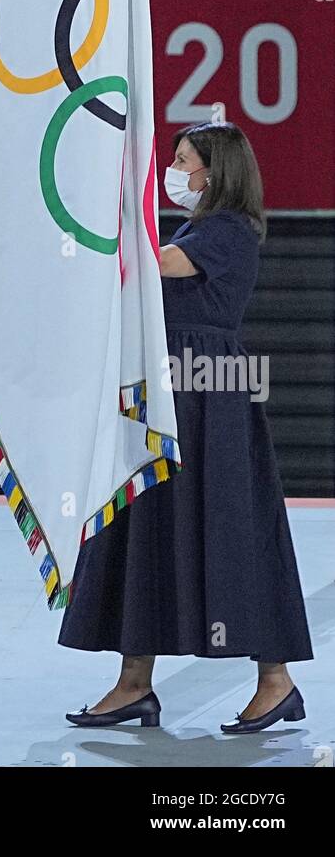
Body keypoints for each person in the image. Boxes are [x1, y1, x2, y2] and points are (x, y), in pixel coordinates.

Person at [60, 121, 313, 733]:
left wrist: (104, 209)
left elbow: (158, 263)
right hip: (171, 391)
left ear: (214, 170)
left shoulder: (226, 231)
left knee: (231, 532)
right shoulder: (197, 226)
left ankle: (276, 681)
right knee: (146, 523)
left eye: (183, 160)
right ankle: (134, 682)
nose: (175, 171)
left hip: (208, 396)